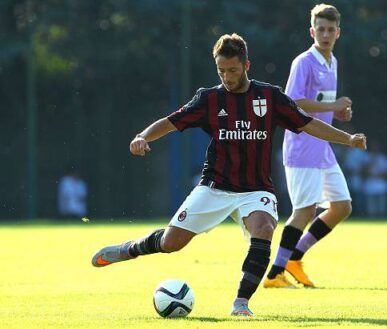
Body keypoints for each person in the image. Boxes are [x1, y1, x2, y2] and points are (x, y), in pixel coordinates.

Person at [91, 33, 366, 316]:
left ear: (247, 66)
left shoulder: (270, 97)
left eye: (232, 70)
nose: (227, 76)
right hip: (215, 186)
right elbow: (171, 122)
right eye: (221, 70)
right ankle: (129, 249)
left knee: (264, 229)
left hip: (256, 189)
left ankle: (241, 304)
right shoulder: (209, 99)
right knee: (170, 243)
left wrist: (347, 139)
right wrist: (142, 136)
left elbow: (307, 124)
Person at [264, 4, 356, 288]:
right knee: (304, 211)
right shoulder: (304, 62)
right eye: (321, 29)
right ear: (312, 31)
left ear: (338, 32)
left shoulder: (332, 61)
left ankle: (294, 257)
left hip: (323, 149)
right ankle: (274, 273)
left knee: (341, 206)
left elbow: (318, 104)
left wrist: (338, 112)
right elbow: (292, 102)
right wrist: (332, 104)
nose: (325, 34)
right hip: (302, 147)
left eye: (330, 29)